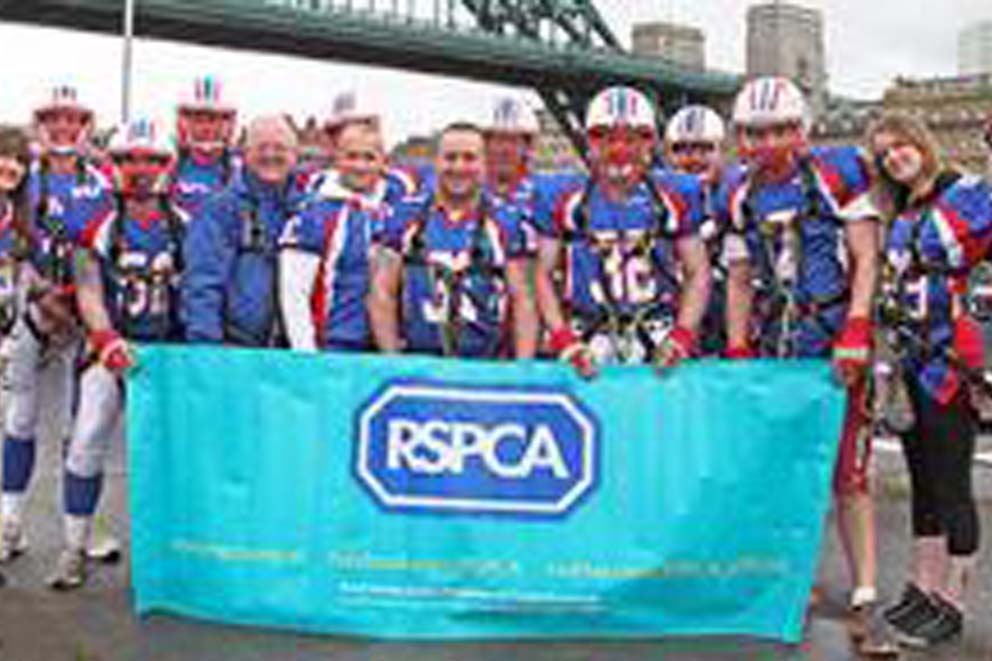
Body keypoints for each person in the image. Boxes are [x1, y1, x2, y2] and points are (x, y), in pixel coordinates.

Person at [721, 76, 897, 657]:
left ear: (801, 131)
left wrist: (856, 328)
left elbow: (866, 257)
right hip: (779, 345)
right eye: (756, 133)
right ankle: (794, 580)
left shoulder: (836, 172)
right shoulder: (737, 193)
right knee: (786, 470)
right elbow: (740, 278)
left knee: (850, 468)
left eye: (779, 130)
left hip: (832, 340)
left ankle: (866, 589)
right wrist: (738, 348)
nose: (768, 143)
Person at [866, 112, 992, 647]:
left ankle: (954, 603)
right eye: (884, 153)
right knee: (923, 482)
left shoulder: (964, 193)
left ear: (921, 142)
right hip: (911, 359)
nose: (895, 156)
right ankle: (924, 587)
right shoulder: (902, 210)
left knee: (952, 483)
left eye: (900, 145)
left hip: (949, 360)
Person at [48, 117, 186, 589]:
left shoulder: (183, 224)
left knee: (170, 454)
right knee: (87, 439)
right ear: (114, 164)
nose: (141, 169)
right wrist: (106, 338)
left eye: (151, 160)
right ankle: (73, 546)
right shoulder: (97, 221)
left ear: (167, 165)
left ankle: (171, 554)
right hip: (111, 346)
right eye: (129, 159)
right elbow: (88, 287)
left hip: (164, 353)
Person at [532, 86, 709, 375]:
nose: (619, 150)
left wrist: (682, 335)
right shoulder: (564, 197)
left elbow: (697, 270)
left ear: (649, 141)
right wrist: (563, 338)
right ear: (590, 141)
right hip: (588, 337)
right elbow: (542, 274)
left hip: (658, 335)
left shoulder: (674, 194)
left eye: (631, 139)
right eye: (607, 138)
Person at [0, 85, 107, 564]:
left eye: (72, 119)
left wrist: (86, 310)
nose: (63, 128)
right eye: (54, 119)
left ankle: (81, 530)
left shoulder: (103, 183)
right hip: (33, 311)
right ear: (40, 124)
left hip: (81, 318)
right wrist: (39, 296)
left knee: (80, 430)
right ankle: (9, 523)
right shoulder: (24, 177)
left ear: (85, 126)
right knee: (20, 418)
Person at [367, 122, 537, 358]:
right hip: (418, 364)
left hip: (486, 367)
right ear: (435, 162)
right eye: (450, 158)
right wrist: (393, 359)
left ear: (484, 163)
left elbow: (523, 300)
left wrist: (523, 367)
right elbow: (382, 293)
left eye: (469, 158)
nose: (459, 167)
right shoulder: (403, 216)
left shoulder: (508, 221)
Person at [183, 115, 303, 346]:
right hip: (234, 349)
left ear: (295, 155)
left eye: (280, 148)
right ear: (245, 154)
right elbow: (202, 284)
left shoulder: (308, 211)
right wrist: (207, 349)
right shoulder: (218, 210)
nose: (270, 155)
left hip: (294, 350)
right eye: (261, 147)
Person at [663, 104, 733, 356]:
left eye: (705, 148)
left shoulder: (740, 196)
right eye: (681, 149)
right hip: (673, 318)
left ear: (723, 151)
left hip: (731, 314)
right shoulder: (655, 201)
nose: (693, 158)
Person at [172, 75, 239, 219]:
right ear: (186, 123)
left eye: (213, 120)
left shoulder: (241, 170)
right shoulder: (169, 169)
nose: (206, 128)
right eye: (198, 120)